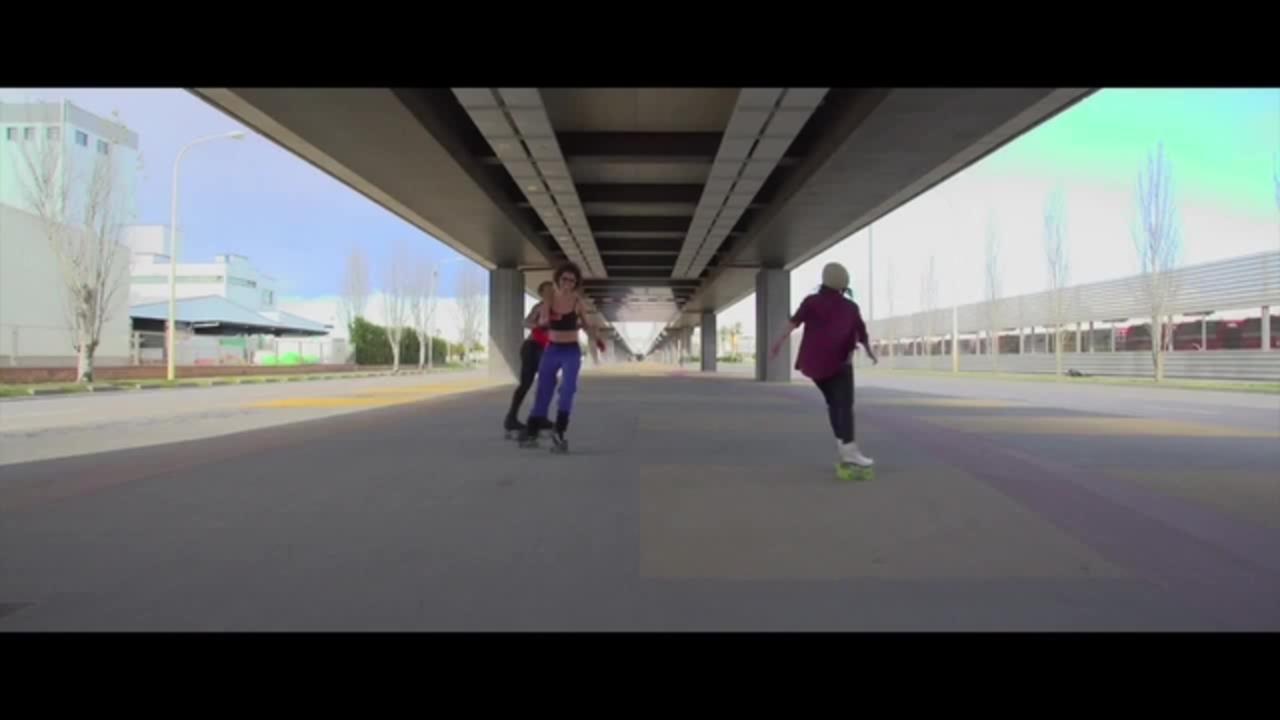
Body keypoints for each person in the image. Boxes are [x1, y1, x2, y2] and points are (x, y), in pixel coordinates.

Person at [769, 261, 877, 468]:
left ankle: (843, 445)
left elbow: (792, 324)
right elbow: (862, 333)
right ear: (844, 282)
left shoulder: (811, 302)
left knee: (834, 403)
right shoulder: (850, 307)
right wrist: (870, 352)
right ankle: (849, 450)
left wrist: (777, 343)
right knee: (844, 405)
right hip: (839, 363)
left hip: (814, 366)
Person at [519, 262, 605, 452]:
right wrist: (540, 324)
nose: (568, 283)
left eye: (572, 281)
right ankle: (532, 430)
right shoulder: (546, 302)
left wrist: (597, 338)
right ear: (558, 279)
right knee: (543, 390)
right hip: (552, 350)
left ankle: (559, 431)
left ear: (576, 283)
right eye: (565, 279)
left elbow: (587, 324)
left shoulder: (577, 302)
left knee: (568, 390)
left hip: (571, 351)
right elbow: (526, 322)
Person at [503, 281, 555, 435]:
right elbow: (525, 322)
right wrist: (537, 325)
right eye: (547, 291)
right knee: (526, 383)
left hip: (545, 348)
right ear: (541, 294)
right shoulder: (539, 307)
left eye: (552, 291)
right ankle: (511, 418)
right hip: (532, 347)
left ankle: (540, 417)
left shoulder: (558, 309)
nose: (551, 293)